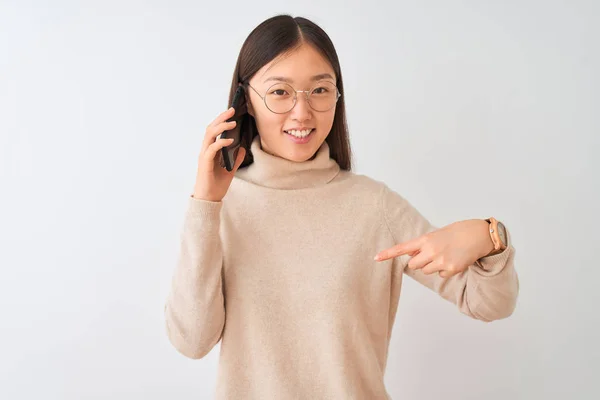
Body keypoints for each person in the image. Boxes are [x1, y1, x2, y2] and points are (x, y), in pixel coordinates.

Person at [164, 14, 519, 400]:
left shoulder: (373, 206)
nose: (302, 113)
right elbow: (192, 340)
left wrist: (489, 237)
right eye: (280, 92)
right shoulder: (220, 210)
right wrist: (206, 203)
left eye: (319, 90)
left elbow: (489, 303)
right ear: (244, 100)